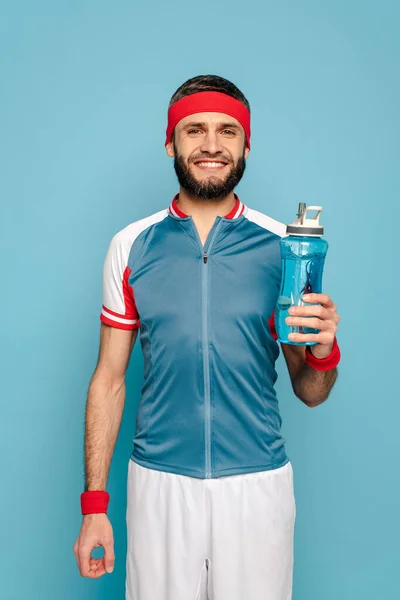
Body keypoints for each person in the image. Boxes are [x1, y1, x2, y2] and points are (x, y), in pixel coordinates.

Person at [73, 74, 341, 599]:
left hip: (258, 486)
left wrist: (324, 352)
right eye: (195, 130)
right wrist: (94, 508)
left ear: (246, 146)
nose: (212, 145)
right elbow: (108, 379)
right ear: (171, 141)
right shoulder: (130, 246)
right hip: (159, 486)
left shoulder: (281, 248)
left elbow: (309, 392)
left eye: (228, 132)